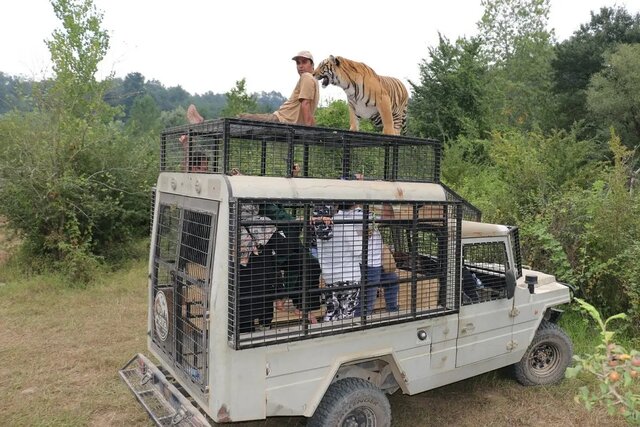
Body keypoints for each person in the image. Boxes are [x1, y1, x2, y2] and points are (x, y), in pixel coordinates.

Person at [184, 51, 319, 126]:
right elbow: (308, 110)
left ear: (312, 65)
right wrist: (311, 127)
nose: (300, 66)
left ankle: (202, 122)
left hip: (280, 120)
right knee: (241, 120)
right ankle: (203, 122)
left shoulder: (307, 77)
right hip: (284, 120)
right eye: (298, 63)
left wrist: (308, 129)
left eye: (304, 62)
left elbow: (305, 104)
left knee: (241, 118)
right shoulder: (314, 81)